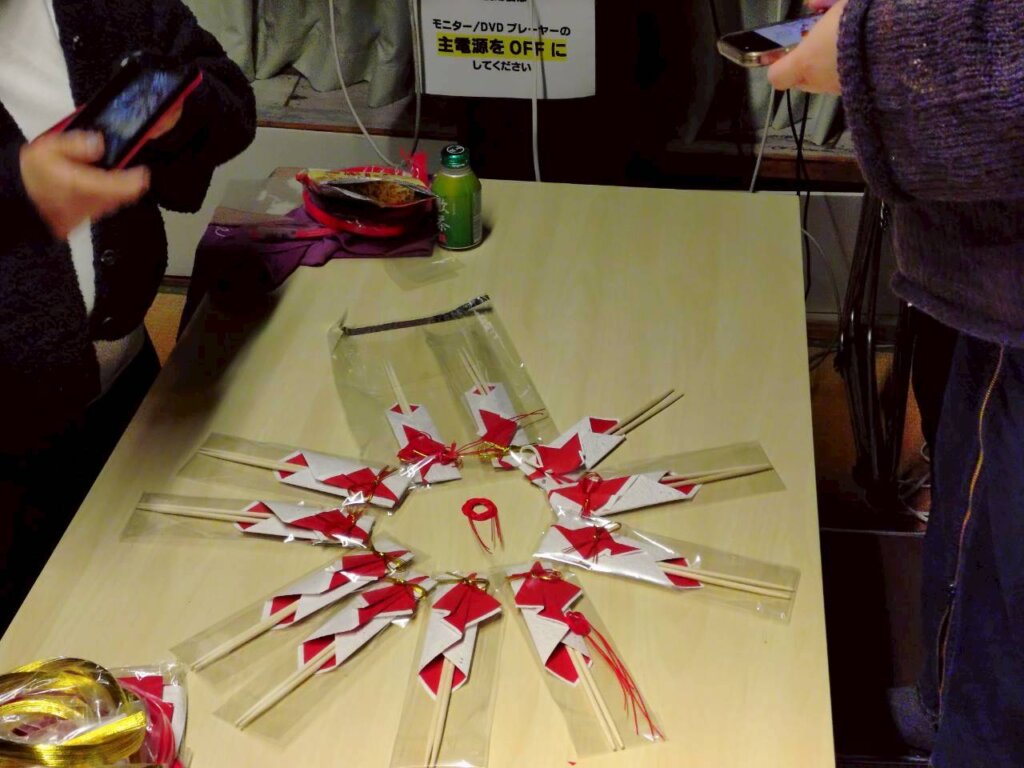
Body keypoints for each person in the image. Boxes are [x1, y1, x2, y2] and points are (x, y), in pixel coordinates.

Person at [770, 2, 1024, 765]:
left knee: (1007, 596)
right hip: (996, 283)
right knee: (971, 530)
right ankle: (943, 709)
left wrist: (874, 44)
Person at [0, 1, 256, 631]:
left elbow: (229, 97)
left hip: (132, 391)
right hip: (11, 443)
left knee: (152, 611)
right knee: (33, 652)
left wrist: (178, 112)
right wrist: (14, 192)